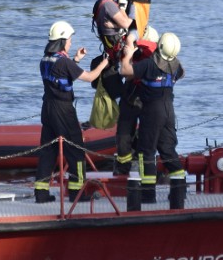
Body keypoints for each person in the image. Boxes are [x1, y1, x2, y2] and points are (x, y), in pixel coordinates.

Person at [36, 21, 109, 203]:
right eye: (69, 40)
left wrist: (76, 59)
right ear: (61, 41)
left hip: (48, 109)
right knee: (76, 150)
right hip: (63, 110)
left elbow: (61, 75)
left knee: (48, 151)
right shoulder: (64, 62)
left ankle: (41, 193)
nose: (70, 43)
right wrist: (105, 63)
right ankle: (78, 194)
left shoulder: (45, 59)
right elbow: (90, 77)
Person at [119, 32, 187, 208]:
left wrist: (129, 54)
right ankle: (179, 193)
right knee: (168, 150)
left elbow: (124, 71)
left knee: (146, 152)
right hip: (169, 111)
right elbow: (182, 73)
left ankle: (148, 195)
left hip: (152, 111)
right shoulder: (176, 65)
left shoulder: (149, 64)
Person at [113, 25, 160, 176]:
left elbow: (127, 72)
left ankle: (139, 168)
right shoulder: (132, 47)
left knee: (142, 137)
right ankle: (124, 167)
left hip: (145, 95)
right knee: (124, 134)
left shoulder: (151, 55)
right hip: (133, 94)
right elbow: (125, 72)